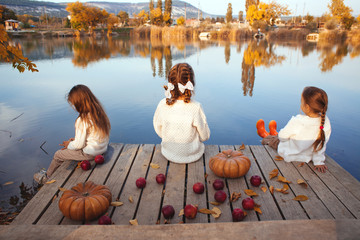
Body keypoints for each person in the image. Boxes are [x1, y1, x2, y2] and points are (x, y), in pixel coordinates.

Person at [34, 84, 111, 184]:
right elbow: (92, 137)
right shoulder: (98, 113)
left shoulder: (82, 120)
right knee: (70, 146)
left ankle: (47, 177)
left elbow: (79, 145)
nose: (73, 107)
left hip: (90, 153)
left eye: (73, 104)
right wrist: (73, 141)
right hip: (102, 149)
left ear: (79, 103)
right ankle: (56, 171)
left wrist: (68, 145)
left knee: (58, 154)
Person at [258, 86, 331, 173]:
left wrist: (279, 136)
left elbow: (282, 137)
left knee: (271, 140)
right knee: (280, 136)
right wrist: (319, 161)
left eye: (302, 101)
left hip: (290, 153)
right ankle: (274, 132)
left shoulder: (298, 121)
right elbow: (322, 143)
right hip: (308, 156)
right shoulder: (325, 121)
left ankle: (265, 134)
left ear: (307, 107)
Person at [153, 63, 210, 164]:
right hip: (193, 155)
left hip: (168, 153)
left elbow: (158, 129)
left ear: (170, 83)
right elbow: (205, 136)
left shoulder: (162, 104)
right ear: (191, 83)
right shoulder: (196, 107)